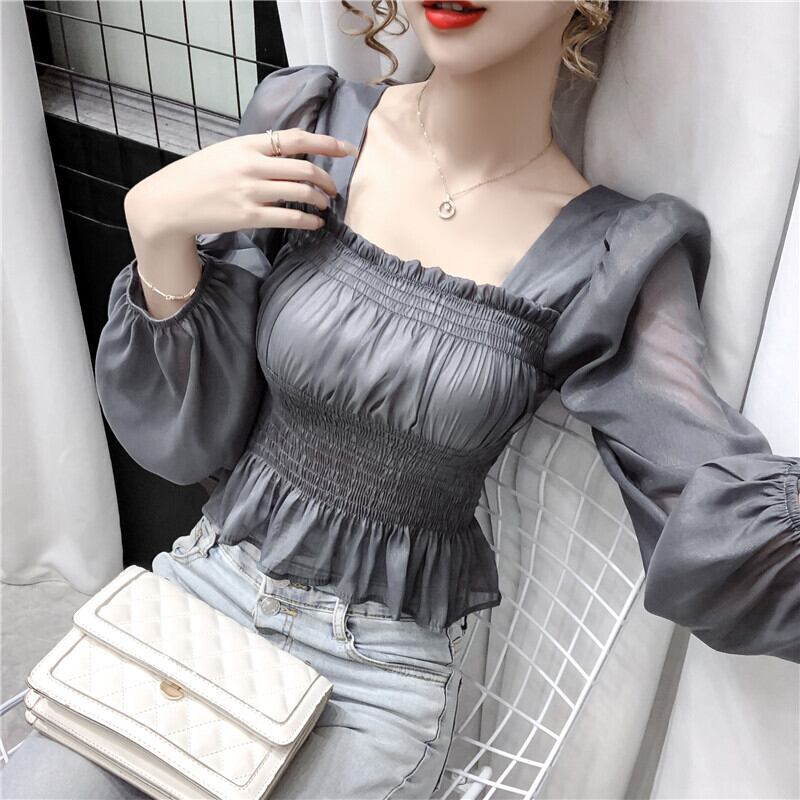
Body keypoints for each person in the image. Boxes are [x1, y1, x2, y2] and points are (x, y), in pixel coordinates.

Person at [4, 1, 800, 798]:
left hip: (373, 679)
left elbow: (707, 504)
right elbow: (189, 439)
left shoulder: (611, 255)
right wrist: (156, 232)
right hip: (204, 596)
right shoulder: (309, 125)